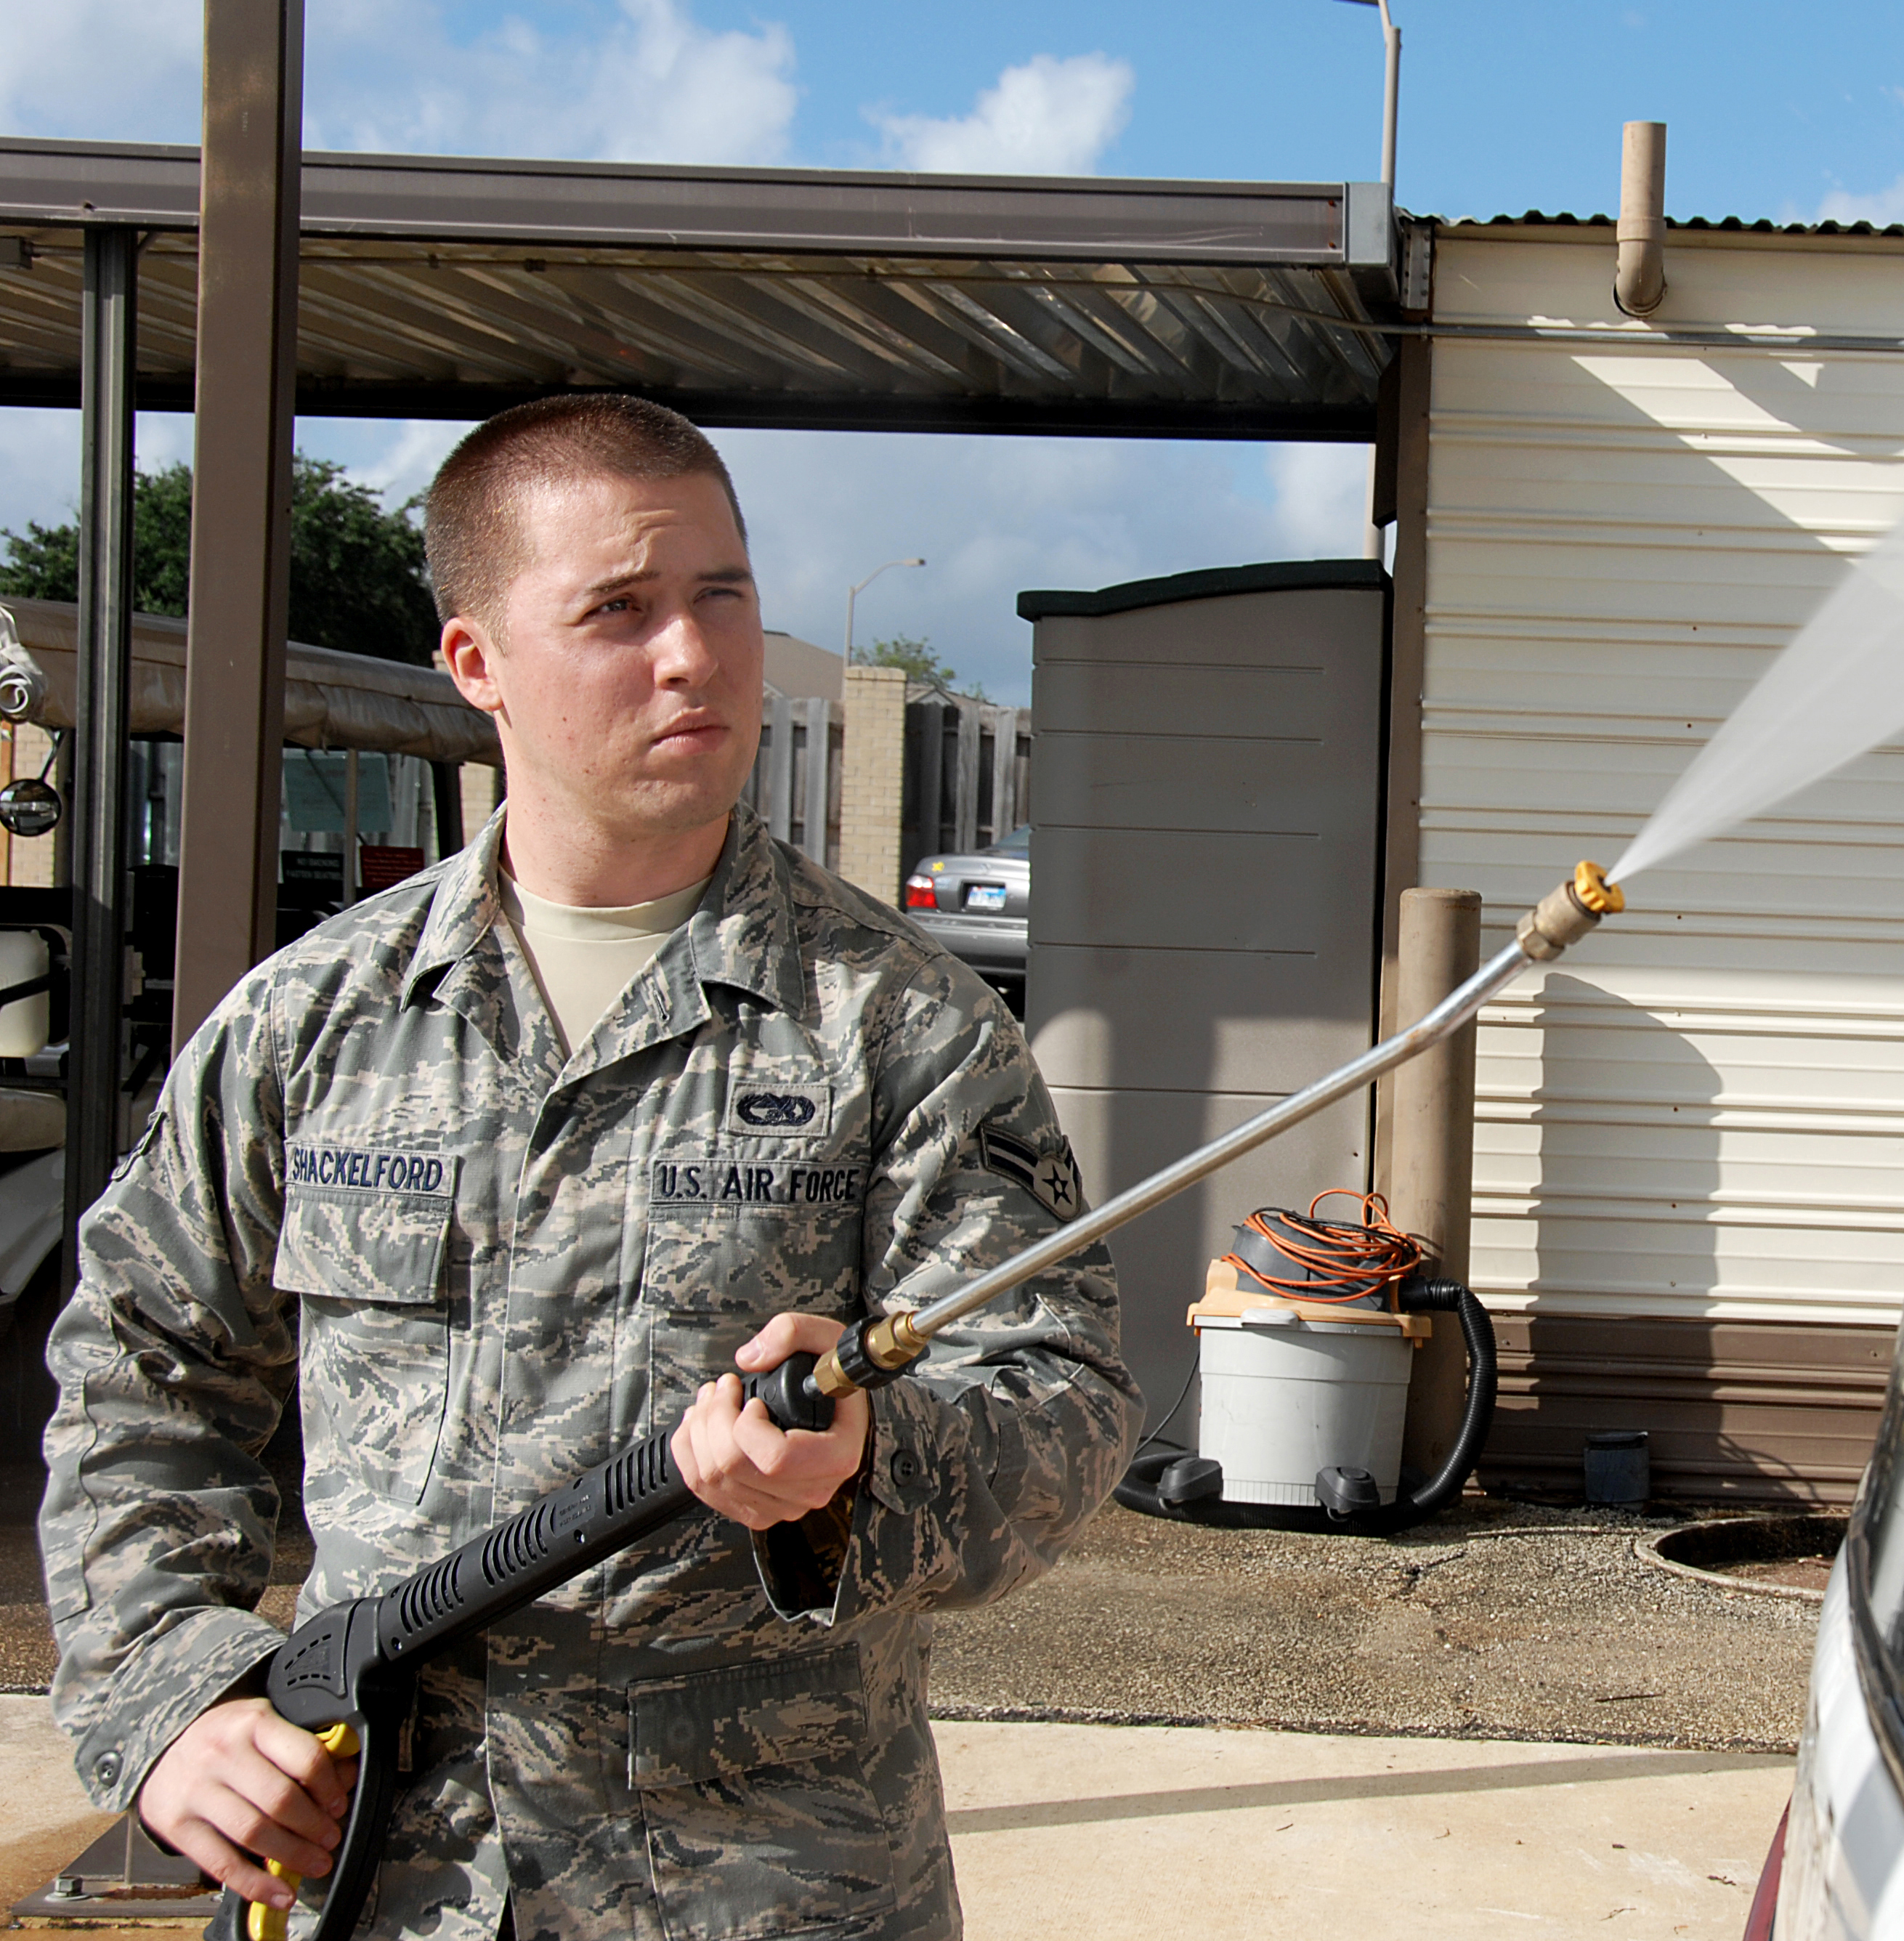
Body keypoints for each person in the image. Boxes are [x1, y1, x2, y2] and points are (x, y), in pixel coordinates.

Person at [40, 394, 1135, 1941]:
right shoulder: (312, 1024)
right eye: (617, 611)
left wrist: (863, 1459)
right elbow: (143, 1370)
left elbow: (1065, 1399)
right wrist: (172, 1687)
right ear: (476, 661)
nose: (691, 652)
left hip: (767, 1885)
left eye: (720, 594)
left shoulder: (903, 1028)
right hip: (378, 1876)